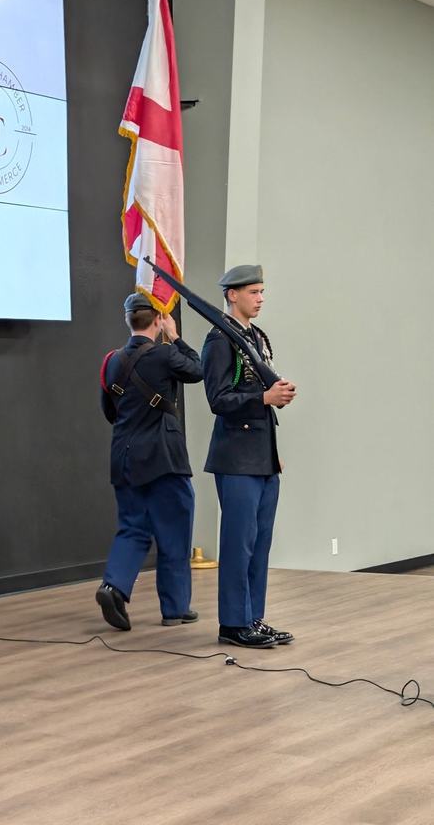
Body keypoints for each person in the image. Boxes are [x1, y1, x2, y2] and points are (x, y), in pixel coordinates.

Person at [96, 292, 204, 632]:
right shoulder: (165, 355)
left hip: (124, 456)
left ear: (127, 320)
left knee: (132, 528)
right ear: (157, 319)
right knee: (174, 531)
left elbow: (109, 411)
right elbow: (198, 369)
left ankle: (113, 586)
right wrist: (175, 336)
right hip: (163, 458)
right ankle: (175, 608)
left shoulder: (111, 361)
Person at [201, 264, 296, 649]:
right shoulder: (219, 339)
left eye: (261, 291)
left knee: (260, 542)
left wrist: (276, 399)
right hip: (236, 456)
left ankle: (253, 617)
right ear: (232, 295)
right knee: (239, 542)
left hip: (261, 455)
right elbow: (218, 399)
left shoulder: (254, 336)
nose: (260, 298)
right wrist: (263, 398)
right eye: (253, 292)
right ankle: (233, 623)